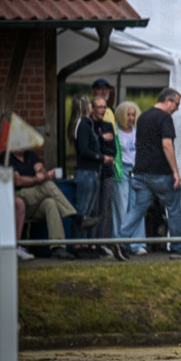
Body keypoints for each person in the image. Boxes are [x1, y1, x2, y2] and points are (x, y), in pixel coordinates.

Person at [120, 88, 181, 259]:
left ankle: (120, 241)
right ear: (168, 101)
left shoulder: (143, 117)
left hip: (141, 172)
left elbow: (138, 142)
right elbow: (167, 145)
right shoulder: (165, 118)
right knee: (174, 208)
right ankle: (178, 248)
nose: (177, 108)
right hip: (161, 172)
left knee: (138, 208)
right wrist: (175, 172)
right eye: (176, 104)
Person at [1, 146, 83, 260]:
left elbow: (41, 170)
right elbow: (18, 181)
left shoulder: (30, 155)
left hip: (35, 201)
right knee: (47, 185)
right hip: (19, 197)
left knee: (50, 203)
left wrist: (41, 172)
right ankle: (75, 217)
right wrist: (37, 179)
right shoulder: (6, 157)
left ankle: (57, 247)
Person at [69, 94, 105, 255]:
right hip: (86, 172)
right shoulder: (83, 125)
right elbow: (84, 150)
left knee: (87, 213)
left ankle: (82, 244)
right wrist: (101, 157)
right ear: (85, 106)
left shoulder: (83, 124)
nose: (92, 105)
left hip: (91, 172)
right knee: (82, 211)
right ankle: (77, 245)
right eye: (89, 104)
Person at [91, 96, 125, 259]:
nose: (103, 110)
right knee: (93, 208)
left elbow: (113, 150)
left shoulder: (108, 125)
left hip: (107, 173)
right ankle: (90, 244)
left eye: (104, 107)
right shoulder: (89, 125)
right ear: (92, 108)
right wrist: (102, 141)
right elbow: (89, 148)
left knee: (104, 209)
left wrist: (103, 150)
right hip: (93, 172)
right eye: (99, 107)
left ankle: (101, 244)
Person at [114, 101, 147, 256]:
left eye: (133, 115)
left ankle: (137, 243)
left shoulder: (137, 131)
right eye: (128, 115)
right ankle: (119, 243)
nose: (131, 118)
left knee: (137, 207)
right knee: (121, 207)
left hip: (136, 171)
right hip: (122, 170)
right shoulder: (115, 131)